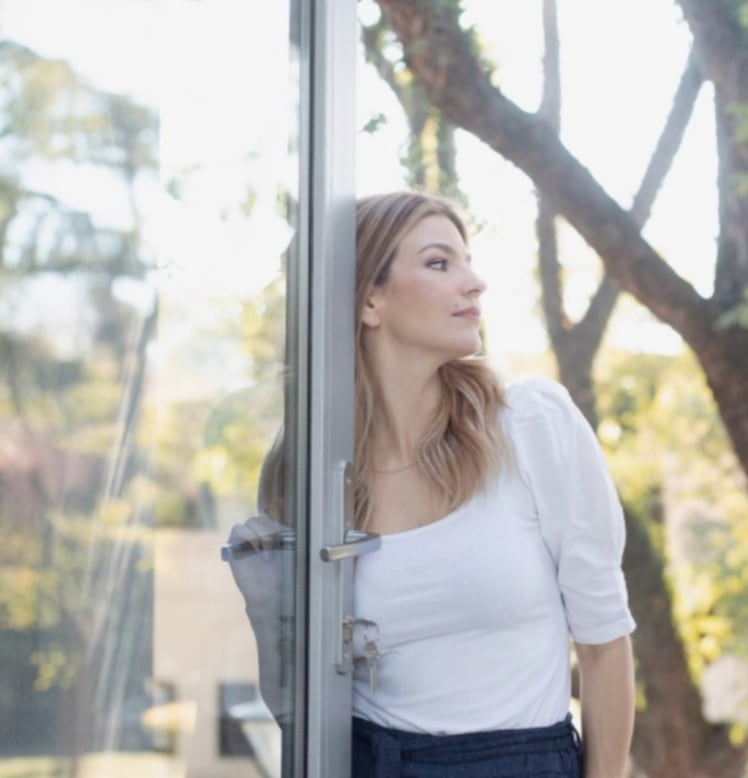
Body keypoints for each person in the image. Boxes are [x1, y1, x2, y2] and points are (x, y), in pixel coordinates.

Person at [231, 191, 636, 778]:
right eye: (440, 263)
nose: (474, 284)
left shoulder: (531, 425)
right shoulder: (311, 470)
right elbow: (300, 688)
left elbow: (605, 647)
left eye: (466, 261)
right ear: (370, 298)